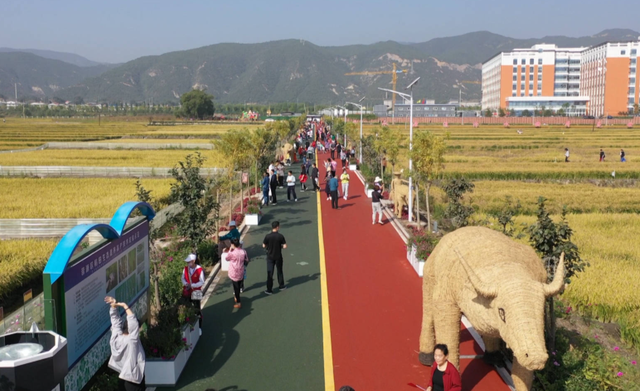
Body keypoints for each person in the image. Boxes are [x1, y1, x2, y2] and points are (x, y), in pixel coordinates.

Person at [105, 296, 146, 391]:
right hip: (134, 381)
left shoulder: (116, 337)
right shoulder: (132, 340)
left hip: (123, 378)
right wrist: (124, 306)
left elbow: (115, 323)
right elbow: (134, 324)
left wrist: (113, 307)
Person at [262, 221, 287, 294]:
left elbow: (263, 245)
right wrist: (280, 246)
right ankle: (281, 286)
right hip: (278, 257)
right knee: (279, 271)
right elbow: (285, 246)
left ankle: (269, 289)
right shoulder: (280, 236)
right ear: (277, 227)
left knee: (270, 273)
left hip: (270, 257)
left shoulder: (267, 236)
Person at [181, 254, 205, 330]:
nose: (188, 263)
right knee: (188, 308)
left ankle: (199, 327)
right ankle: (190, 324)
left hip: (197, 291)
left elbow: (202, 282)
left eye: (189, 262)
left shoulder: (200, 269)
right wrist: (186, 284)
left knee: (197, 309)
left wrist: (193, 285)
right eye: (187, 262)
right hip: (187, 291)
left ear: (193, 261)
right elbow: (183, 278)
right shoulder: (185, 269)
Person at [226, 238, 249, 309]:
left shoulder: (232, 253)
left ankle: (238, 301)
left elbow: (227, 258)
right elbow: (247, 260)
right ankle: (237, 296)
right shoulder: (243, 251)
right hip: (241, 270)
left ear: (233, 244)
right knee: (239, 285)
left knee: (236, 287)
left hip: (234, 271)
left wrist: (230, 250)